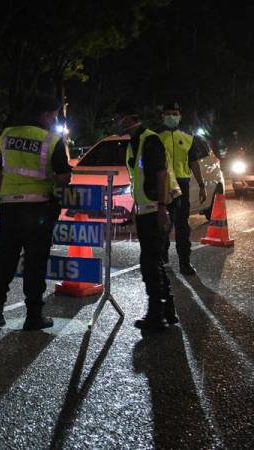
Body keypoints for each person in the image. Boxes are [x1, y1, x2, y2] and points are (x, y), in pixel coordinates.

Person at [0, 94, 72, 330]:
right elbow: (63, 177)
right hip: (38, 208)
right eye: (54, 115)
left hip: (10, 206)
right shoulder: (52, 139)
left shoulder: (7, 134)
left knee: (5, 262)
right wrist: (52, 180)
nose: (55, 119)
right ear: (44, 115)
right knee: (35, 264)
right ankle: (33, 316)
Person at [112, 101, 181, 330]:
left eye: (118, 118)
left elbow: (160, 174)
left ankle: (156, 315)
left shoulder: (149, 140)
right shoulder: (135, 143)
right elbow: (139, 180)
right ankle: (167, 311)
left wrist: (161, 207)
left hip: (155, 210)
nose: (116, 122)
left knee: (150, 263)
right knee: (155, 262)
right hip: (147, 210)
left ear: (131, 118)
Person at [157, 102, 208, 275]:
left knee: (182, 226)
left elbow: (193, 162)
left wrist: (202, 185)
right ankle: (162, 258)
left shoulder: (187, 137)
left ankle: (184, 263)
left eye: (174, 113)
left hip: (182, 185)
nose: (171, 116)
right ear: (162, 116)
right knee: (163, 224)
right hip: (163, 184)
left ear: (180, 116)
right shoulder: (155, 137)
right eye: (168, 113)